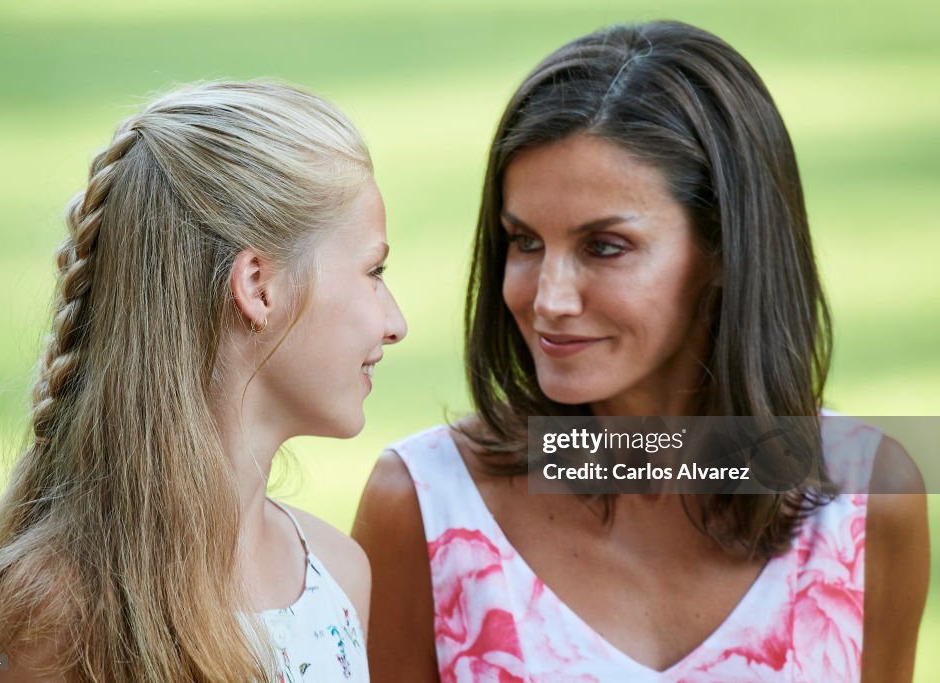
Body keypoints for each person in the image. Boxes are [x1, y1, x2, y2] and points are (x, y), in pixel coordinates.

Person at [353, 21, 928, 683]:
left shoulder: (867, 497)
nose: (550, 299)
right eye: (525, 241)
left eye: (604, 246)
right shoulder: (423, 503)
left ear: (722, 249)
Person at [0, 80, 406, 682]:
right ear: (258, 286)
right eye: (374, 270)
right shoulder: (55, 612)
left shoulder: (340, 577)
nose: (395, 323)